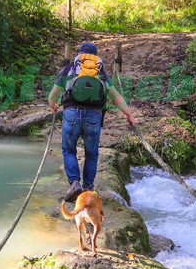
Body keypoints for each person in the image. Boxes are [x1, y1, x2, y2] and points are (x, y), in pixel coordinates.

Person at [48, 42, 135, 201]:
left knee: (69, 150)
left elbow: (53, 95)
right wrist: (128, 114)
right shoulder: (100, 72)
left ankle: (74, 183)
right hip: (94, 115)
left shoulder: (69, 69)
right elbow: (115, 97)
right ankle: (88, 187)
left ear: (80, 54)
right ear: (95, 56)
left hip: (71, 114)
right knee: (91, 154)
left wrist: (53, 105)